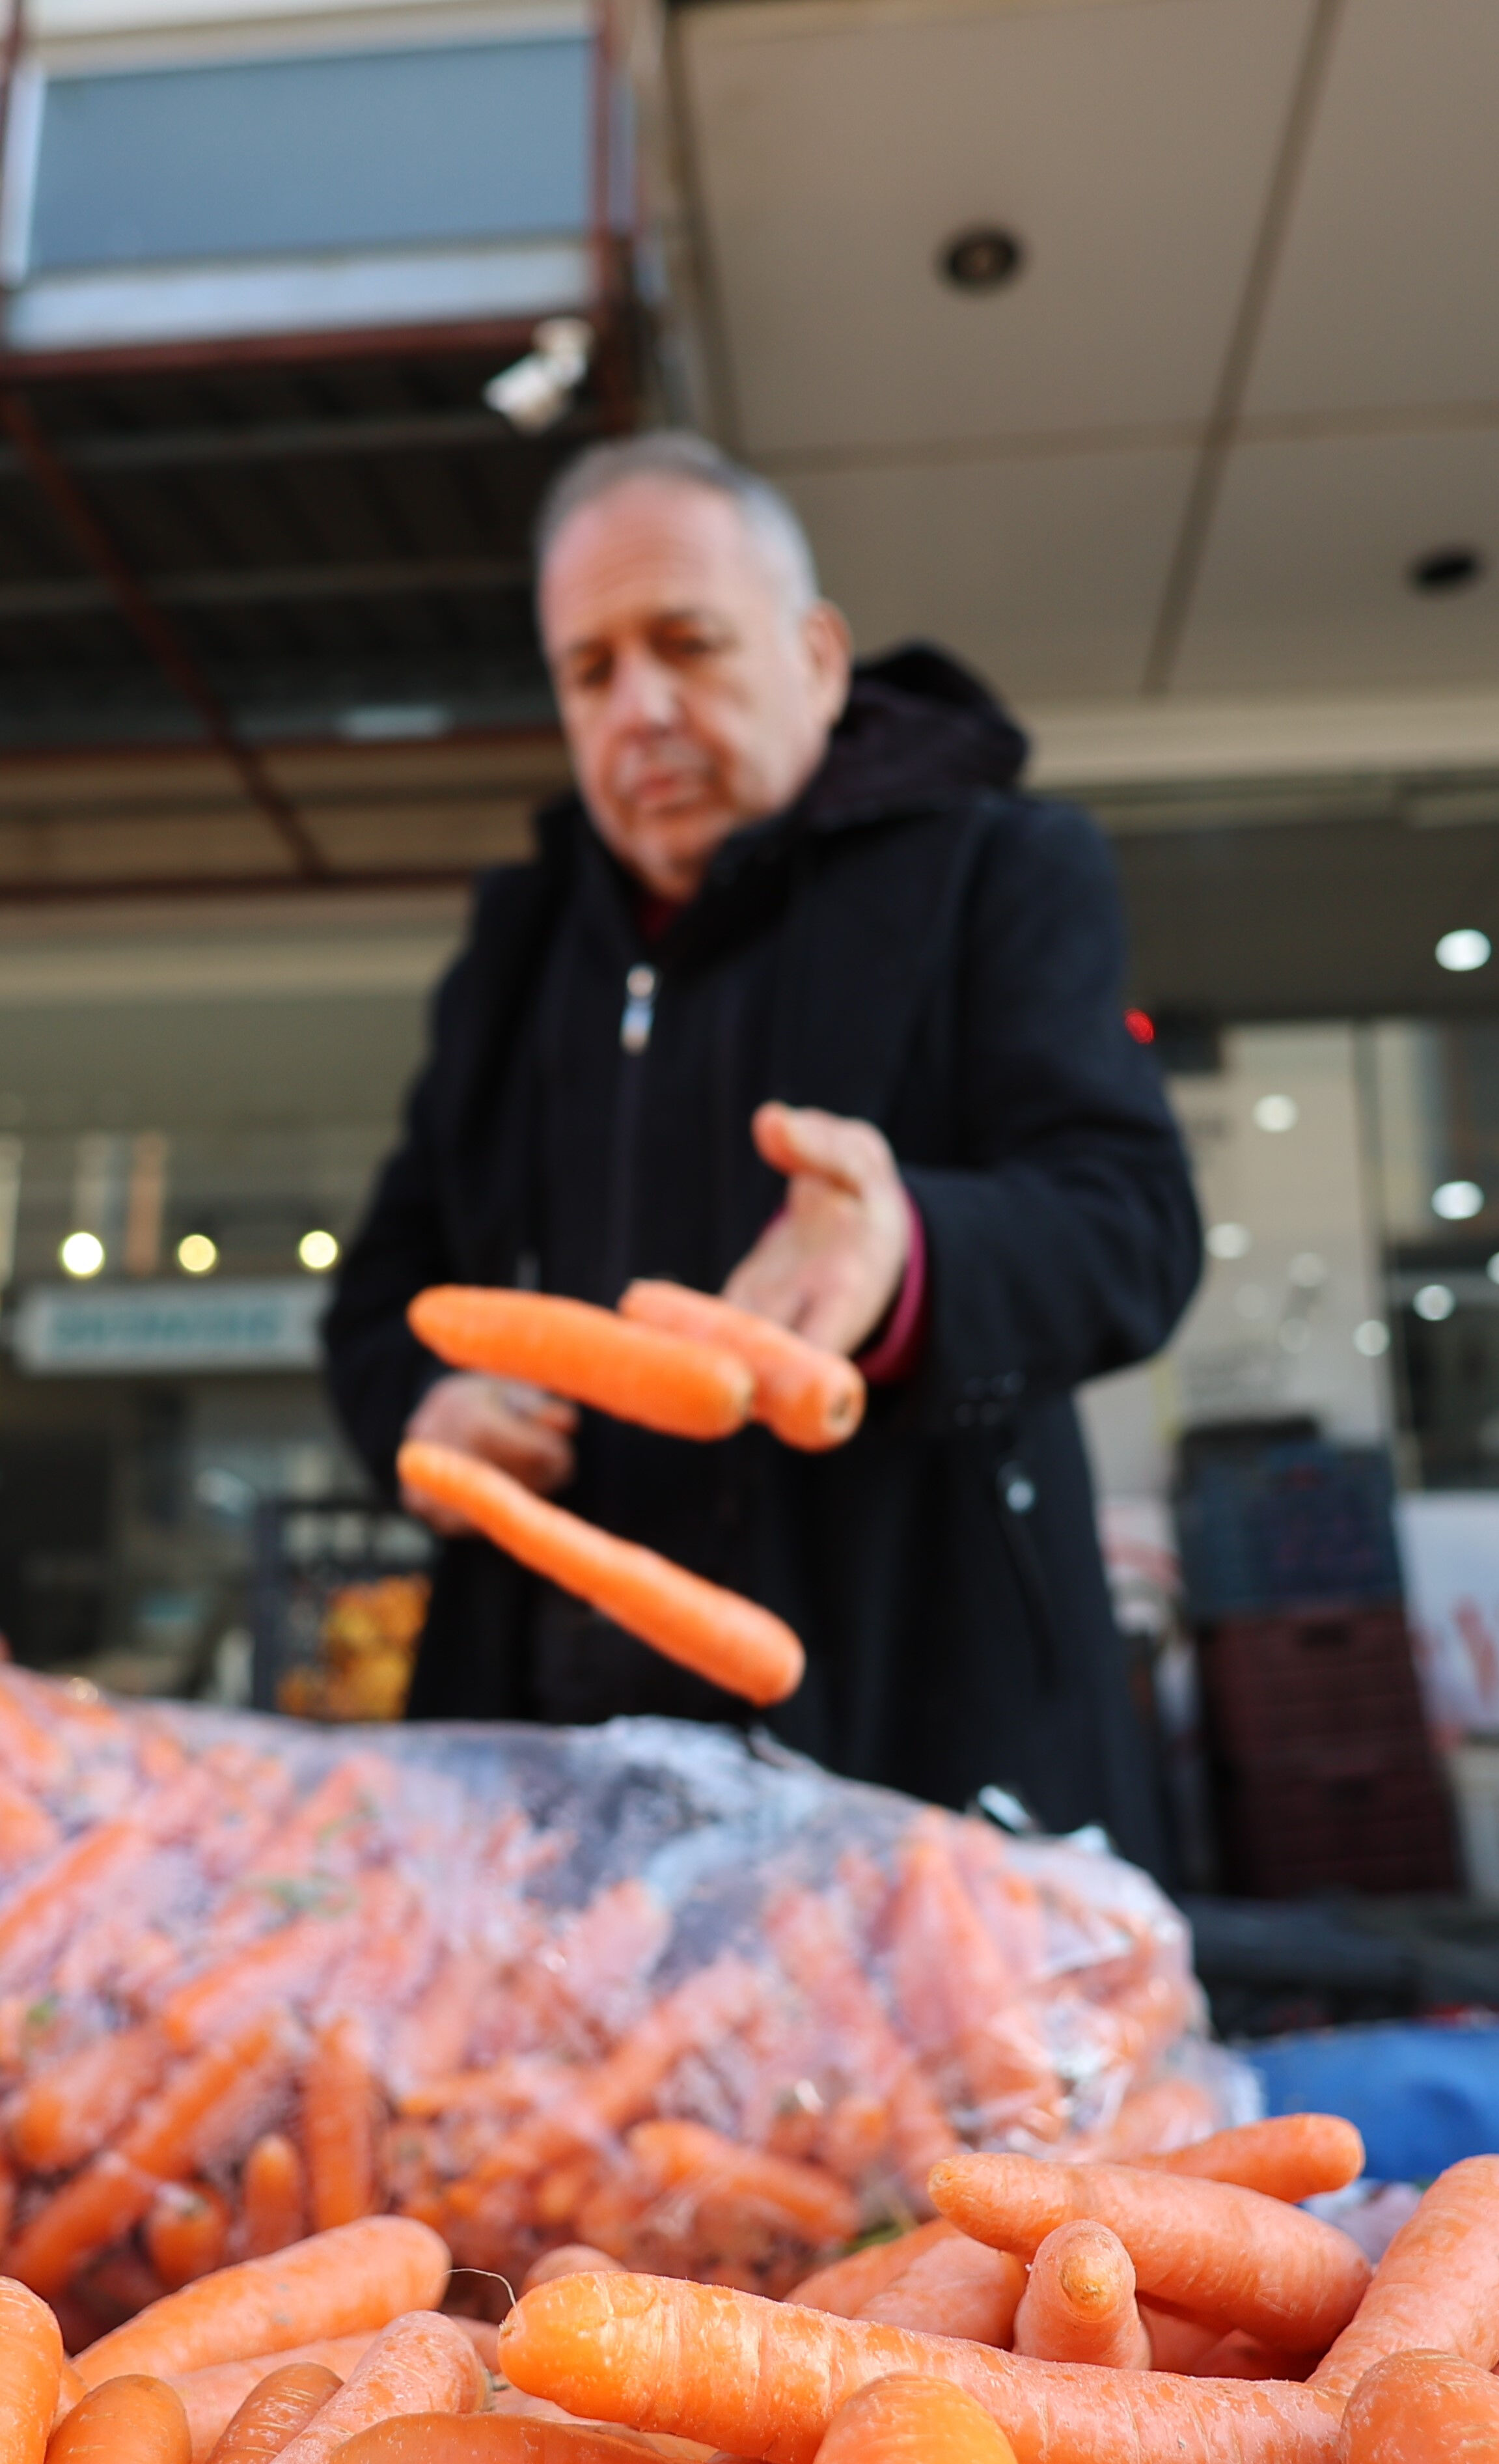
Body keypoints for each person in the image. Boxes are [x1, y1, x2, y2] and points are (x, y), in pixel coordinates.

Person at [320, 432, 1201, 1875]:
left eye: (688, 644)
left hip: (914, 1737)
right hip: (549, 1771)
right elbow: (385, 1288)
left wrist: (910, 1252)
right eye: (591, 671)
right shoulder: (517, 954)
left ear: (818, 656)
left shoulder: (1002, 867)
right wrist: (422, 1404)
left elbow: (1133, 1224)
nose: (642, 708)